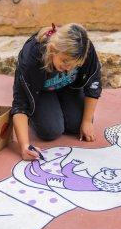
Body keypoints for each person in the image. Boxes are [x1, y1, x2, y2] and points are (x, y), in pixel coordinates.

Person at [11, 23, 102, 160]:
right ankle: (46, 110)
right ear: (53, 49)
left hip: (69, 87)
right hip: (41, 91)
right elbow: (20, 104)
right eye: (65, 61)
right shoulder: (31, 58)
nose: (68, 69)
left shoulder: (85, 50)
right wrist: (24, 146)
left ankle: (61, 106)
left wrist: (87, 121)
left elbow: (93, 83)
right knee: (50, 131)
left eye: (74, 65)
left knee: (78, 124)